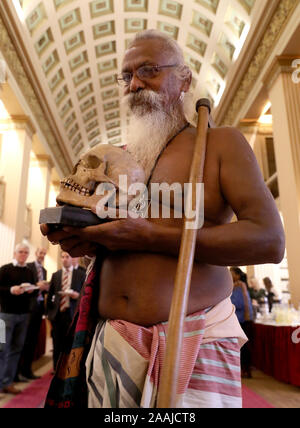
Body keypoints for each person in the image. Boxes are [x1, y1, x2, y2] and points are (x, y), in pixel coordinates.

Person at [41, 30, 285, 408]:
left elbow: (270, 240)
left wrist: (150, 237)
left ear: (184, 79)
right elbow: (104, 235)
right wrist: (77, 235)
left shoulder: (221, 144)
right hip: (112, 343)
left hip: (197, 339)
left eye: (149, 71)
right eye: (127, 76)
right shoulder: (113, 160)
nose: (135, 84)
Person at [0, 243, 36, 395]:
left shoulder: (29, 271)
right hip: (5, 315)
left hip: (24, 315)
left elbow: (33, 292)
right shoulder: (5, 269)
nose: (23, 254)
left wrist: (32, 290)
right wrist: (10, 289)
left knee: (16, 349)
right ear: (15, 253)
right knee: (1, 349)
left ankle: (7, 382)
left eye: (26, 252)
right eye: (20, 252)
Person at [46, 251, 86, 371]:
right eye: (62, 257)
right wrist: (49, 314)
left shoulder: (80, 275)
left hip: (72, 313)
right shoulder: (56, 275)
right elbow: (50, 295)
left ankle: (69, 368)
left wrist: (76, 295)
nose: (64, 259)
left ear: (72, 258)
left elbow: (84, 295)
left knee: (71, 343)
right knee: (57, 343)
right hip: (58, 314)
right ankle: (56, 368)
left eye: (67, 257)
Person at [17, 248, 49, 380]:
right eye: (40, 253)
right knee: (23, 341)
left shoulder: (45, 270)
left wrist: (46, 288)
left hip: (39, 309)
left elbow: (43, 291)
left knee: (32, 341)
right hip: (28, 308)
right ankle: (17, 372)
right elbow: (25, 287)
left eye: (44, 254)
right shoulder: (28, 267)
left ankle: (27, 370)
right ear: (35, 254)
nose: (41, 255)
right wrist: (37, 286)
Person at [230, 267, 254, 379]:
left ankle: (245, 368)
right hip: (240, 319)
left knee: (242, 345)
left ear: (238, 275)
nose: (230, 275)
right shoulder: (237, 285)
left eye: (232, 273)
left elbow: (238, 303)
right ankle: (244, 368)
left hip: (241, 319)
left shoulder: (239, 286)